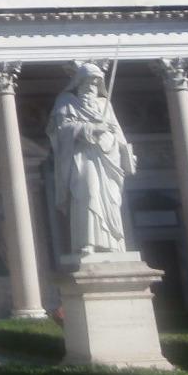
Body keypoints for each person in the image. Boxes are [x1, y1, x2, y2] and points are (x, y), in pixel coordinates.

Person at [47, 63, 137, 254]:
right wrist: (91, 128)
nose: (91, 87)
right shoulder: (66, 102)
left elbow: (117, 131)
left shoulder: (105, 104)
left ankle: (113, 244)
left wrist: (125, 152)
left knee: (111, 200)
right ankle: (87, 243)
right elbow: (62, 130)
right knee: (88, 193)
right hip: (83, 156)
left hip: (107, 156)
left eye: (96, 83)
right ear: (78, 82)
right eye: (87, 82)